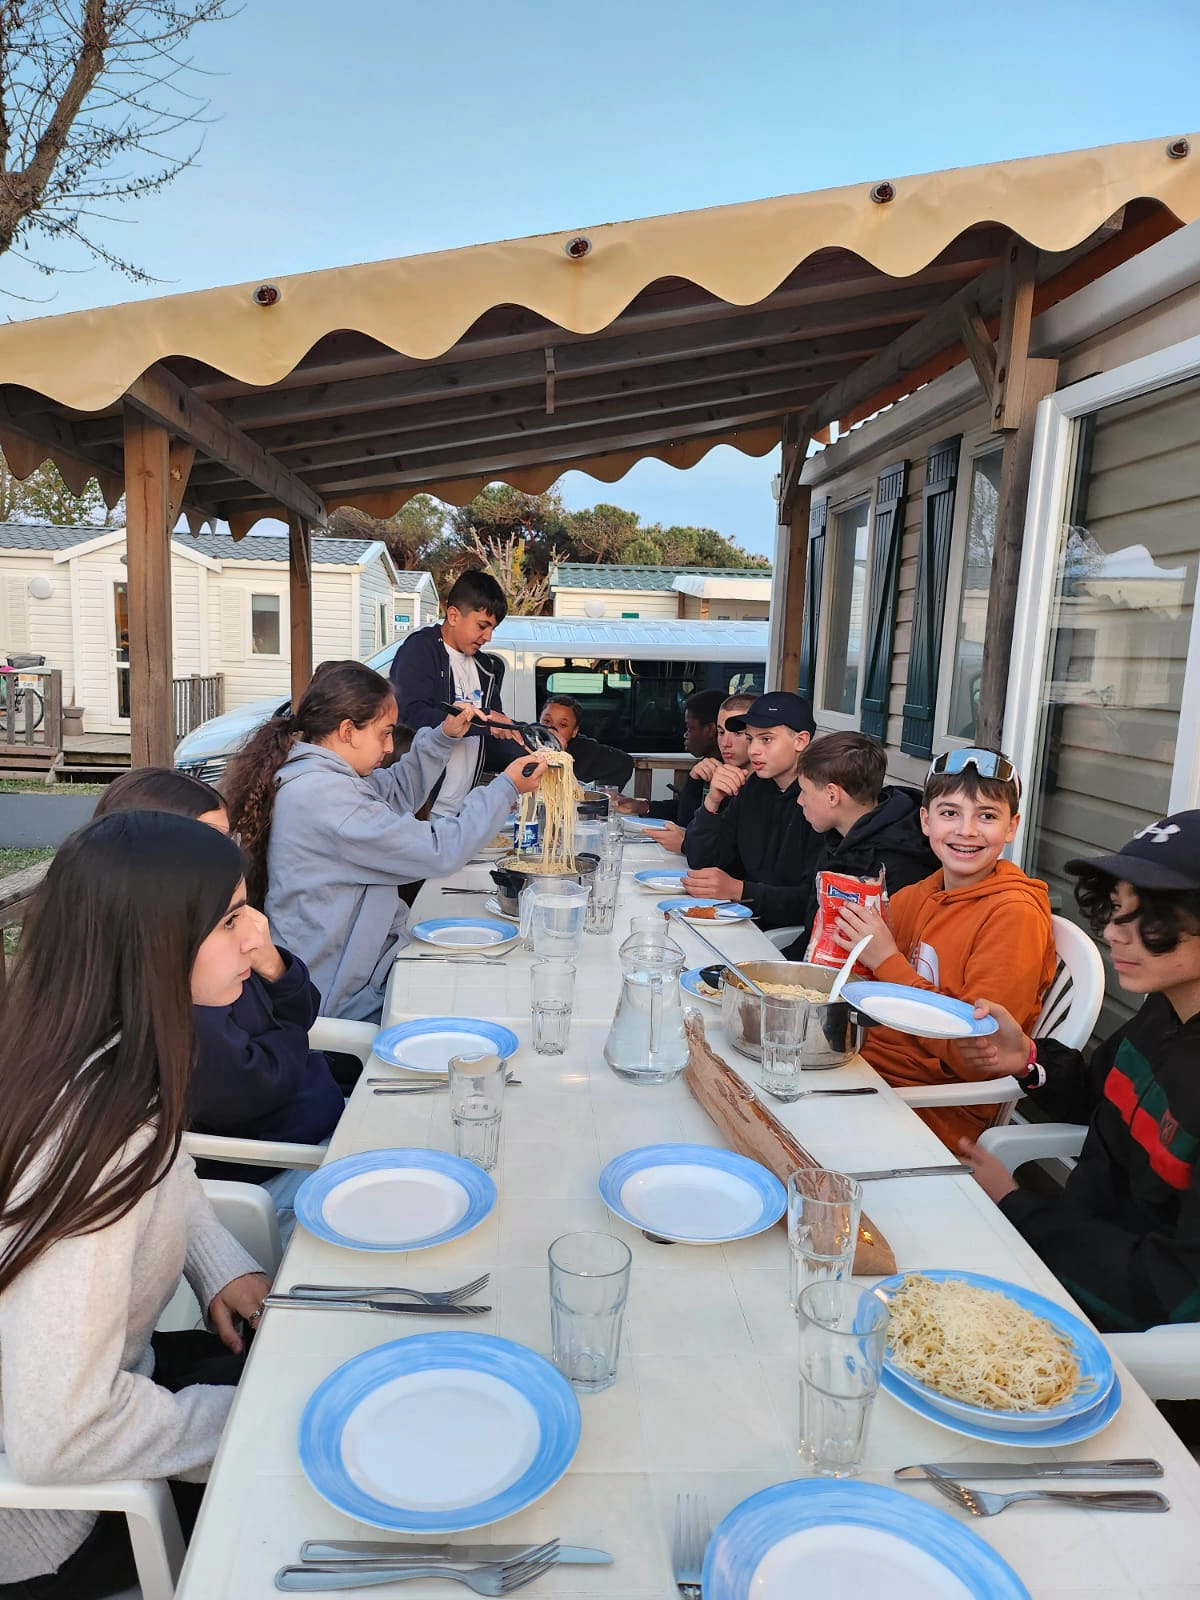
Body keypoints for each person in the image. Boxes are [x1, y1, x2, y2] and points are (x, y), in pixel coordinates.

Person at [0, 812, 271, 1599]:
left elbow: (168, 1167)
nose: (256, 935)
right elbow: (59, 1436)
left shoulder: (99, 1053)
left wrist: (219, 1265)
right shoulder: (95, 1138)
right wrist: (260, 1423)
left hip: (114, 1388)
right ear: (155, 944)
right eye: (230, 920)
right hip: (60, 1519)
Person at [957, 811, 1200, 1336]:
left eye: (1152, 919)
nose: (1113, 933)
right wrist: (1028, 1060)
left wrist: (1016, 1206)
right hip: (1063, 1251)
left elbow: (1171, 1287)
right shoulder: (1164, 1013)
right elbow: (1099, 1098)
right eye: (1117, 908)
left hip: (1118, 1329)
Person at [223, 660, 545, 1022]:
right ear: (348, 731)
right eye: (384, 733)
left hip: (353, 971)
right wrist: (506, 787)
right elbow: (439, 850)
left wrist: (444, 737)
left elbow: (394, 792)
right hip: (338, 997)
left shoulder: (319, 778)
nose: (390, 746)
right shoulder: (326, 797)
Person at [93, 769, 344, 1228]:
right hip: (277, 1168)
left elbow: (303, 1009)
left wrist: (274, 966)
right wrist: (292, 1035)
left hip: (318, 1125)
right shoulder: (179, 991)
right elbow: (259, 1085)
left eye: (229, 838)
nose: (226, 855)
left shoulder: (217, 946)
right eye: (208, 839)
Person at [835, 748, 1057, 1148]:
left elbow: (978, 1053)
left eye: (987, 816)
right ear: (926, 820)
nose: (966, 830)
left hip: (931, 1108)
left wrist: (887, 961)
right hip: (860, 1068)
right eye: (950, 812)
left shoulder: (1014, 915)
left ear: (1012, 826)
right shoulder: (915, 896)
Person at [782, 730, 937, 955]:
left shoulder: (899, 864)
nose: (800, 800)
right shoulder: (837, 836)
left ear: (832, 795)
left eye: (804, 791)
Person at [388, 569, 524, 819]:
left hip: (461, 809)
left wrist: (532, 751)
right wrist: (482, 719)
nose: (488, 637)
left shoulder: (484, 666)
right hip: (420, 807)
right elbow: (409, 716)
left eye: (492, 628)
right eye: (482, 626)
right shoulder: (420, 649)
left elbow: (493, 730)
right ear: (453, 615)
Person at [680, 691, 821, 930]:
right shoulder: (753, 788)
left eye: (766, 739)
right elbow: (701, 861)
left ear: (800, 741)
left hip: (781, 935)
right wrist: (712, 803)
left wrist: (740, 890)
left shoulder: (819, 801)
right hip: (738, 919)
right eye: (750, 738)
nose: (754, 749)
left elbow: (813, 900)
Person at [643, 692, 756, 853]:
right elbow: (687, 824)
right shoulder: (720, 771)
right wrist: (693, 780)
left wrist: (686, 846)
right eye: (721, 732)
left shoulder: (764, 788)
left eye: (738, 733)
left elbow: (734, 854)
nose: (725, 743)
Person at [620, 688, 725, 830]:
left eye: (690, 728)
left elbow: (686, 820)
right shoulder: (707, 763)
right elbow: (685, 808)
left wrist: (692, 782)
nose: (685, 735)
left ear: (710, 730)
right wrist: (644, 806)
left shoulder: (722, 774)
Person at [538, 694, 634, 789]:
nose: (552, 729)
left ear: (574, 731)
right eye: (547, 721)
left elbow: (624, 762)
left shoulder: (583, 749)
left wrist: (602, 790)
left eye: (563, 725)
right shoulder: (530, 742)